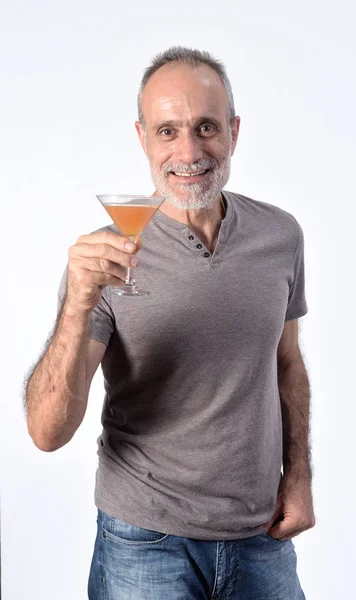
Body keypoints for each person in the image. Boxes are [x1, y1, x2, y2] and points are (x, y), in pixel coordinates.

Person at [24, 46, 315, 599]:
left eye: (206, 127)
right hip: (144, 544)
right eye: (167, 131)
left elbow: (287, 363)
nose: (188, 151)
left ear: (233, 132)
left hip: (261, 537)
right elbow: (46, 433)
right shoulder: (106, 258)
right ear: (141, 138)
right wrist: (79, 304)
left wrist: (297, 477)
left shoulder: (281, 236)